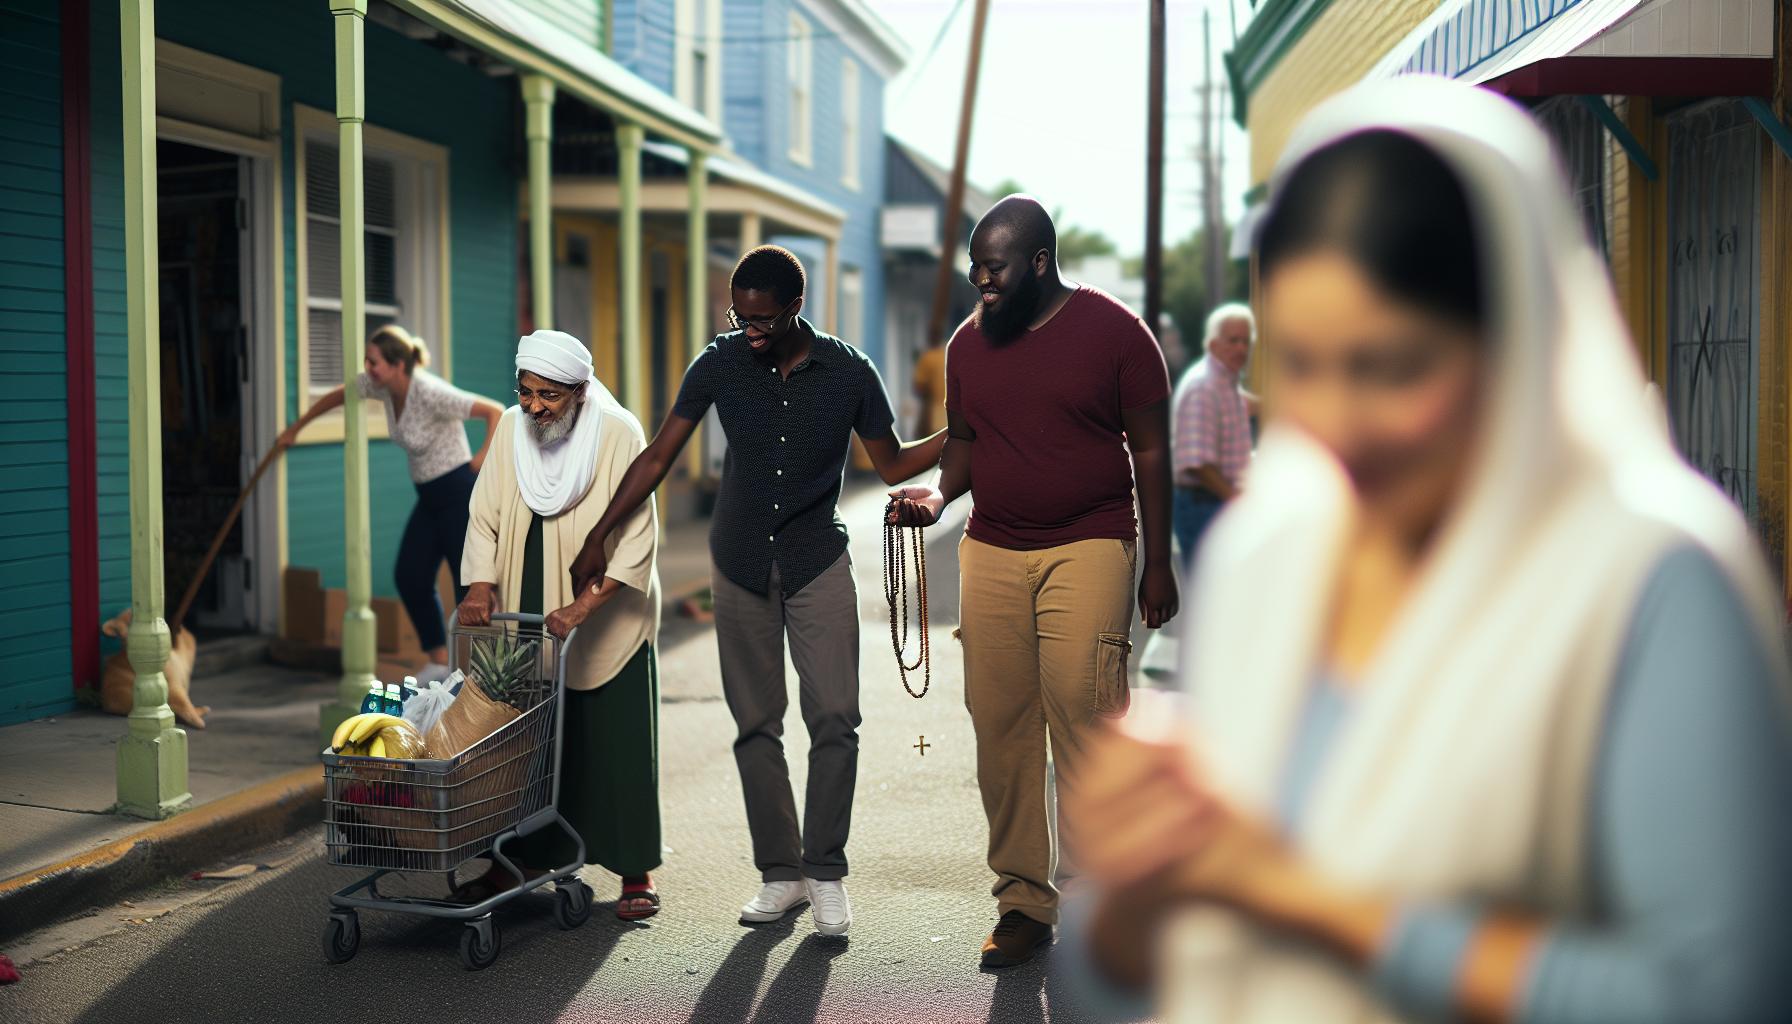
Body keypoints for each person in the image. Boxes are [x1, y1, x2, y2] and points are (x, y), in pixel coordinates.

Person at [1063, 79, 1792, 1023]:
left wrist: (1310, 900)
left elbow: (1715, 998)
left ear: (1516, 338)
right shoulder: (1271, 556)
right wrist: (1133, 894)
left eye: (1391, 366)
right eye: (1307, 365)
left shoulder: (1649, 581)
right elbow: (1136, 980)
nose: (1336, 424)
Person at [567, 246, 947, 938]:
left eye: (762, 320)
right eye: (739, 316)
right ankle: (782, 875)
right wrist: (600, 532)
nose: (749, 330)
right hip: (738, 563)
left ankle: (826, 872)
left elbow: (892, 462)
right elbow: (658, 454)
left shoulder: (849, 372)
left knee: (835, 716)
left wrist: (962, 434)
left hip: (816, 560)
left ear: (795, 307)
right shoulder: (718, 362)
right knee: (756, 725)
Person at [887, 196, 1179, 970]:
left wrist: (1158, 559)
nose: (981, 283)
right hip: (993, 547)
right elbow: (967, 445)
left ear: (1039, 263)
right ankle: (1023, 903)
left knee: (1085, 716)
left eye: (994, 270)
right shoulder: (968, 346)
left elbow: (1151, 448)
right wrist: (937, 496)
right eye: (976, 270)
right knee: (1002, 727)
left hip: (1090, 539)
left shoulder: (1116, 334)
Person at [453, 329, 664, 920]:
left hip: (605, 614)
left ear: (579, 390)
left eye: (549, 395)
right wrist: (480, 582)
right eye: (526, 392)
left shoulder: (619, 433)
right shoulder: (512, 431)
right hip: (526, 605)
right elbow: (484, 512)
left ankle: (634, 870)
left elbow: (638, 537)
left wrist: (581, 609)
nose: (535, 406)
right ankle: (513, 859)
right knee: (521, 738)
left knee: (613, 739)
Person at [279, 325, 504, 677]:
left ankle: (482, 674)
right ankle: (439, 659)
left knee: (470, 588)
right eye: (367, 362)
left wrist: (480, 460)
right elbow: (340, 394)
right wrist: (297, 427)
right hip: (429, 498)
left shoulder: (429, 391)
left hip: (458, 494)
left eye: (374, 362)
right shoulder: (382, 387)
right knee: (410, 575)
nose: (367, 369)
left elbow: (495, 411)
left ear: (399, 365)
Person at [1171, 303, 1255, 570]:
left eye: (1246, 341)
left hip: (1214, 503)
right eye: (1233, 340)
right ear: (1212, 345)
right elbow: (1197, 463)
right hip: (1205, 505)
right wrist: (1235, 499)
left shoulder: (1224, 382)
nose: (1241, 348)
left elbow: (1242, 404)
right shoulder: (1203, 387)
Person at [912, 335, 948, 439]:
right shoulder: (949, 353)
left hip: (932, 416)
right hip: (950, 416)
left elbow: (919, 387)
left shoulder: (927, 357)